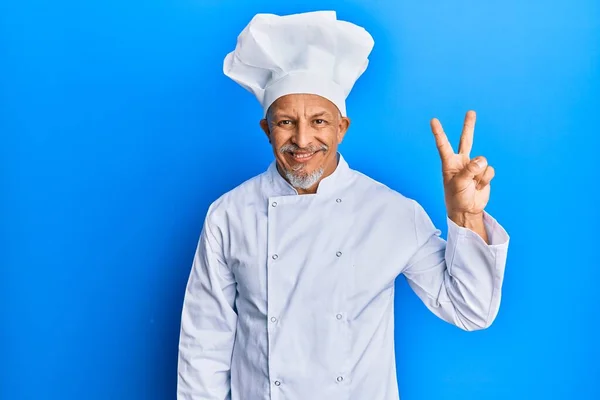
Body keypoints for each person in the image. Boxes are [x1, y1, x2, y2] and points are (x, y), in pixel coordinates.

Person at [177, 10, 510, 400]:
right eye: (286, 122)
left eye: (319, 121)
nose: (302, 140)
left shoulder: (391, 212)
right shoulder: (228, 215)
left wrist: (464, 213)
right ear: (267, 129)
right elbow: (204, 345)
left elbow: (470, 309)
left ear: (341, 128)